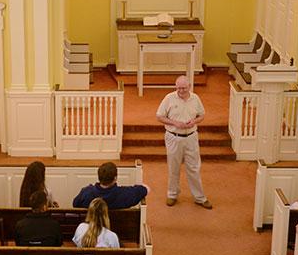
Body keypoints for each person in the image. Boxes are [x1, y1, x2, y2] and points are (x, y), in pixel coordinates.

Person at [156, 75, 212, 209]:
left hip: (191, 137)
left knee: (194, 168)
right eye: (178, 88)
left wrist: (194, 121)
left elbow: (202, 115)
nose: (181, 91)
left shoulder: (195, 98)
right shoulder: (169, 98)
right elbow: (159, 116)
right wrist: (174, 122)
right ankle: (172, 195)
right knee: (173, 167)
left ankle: (199, 197)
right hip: (173, 137)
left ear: (189, 87)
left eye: (184, 88)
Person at [73, 161, 149, 209]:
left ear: (99, 177)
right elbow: (145, 189)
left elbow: (75, 204)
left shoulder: (86, 192)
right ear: (115, 178)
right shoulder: (124, 194)